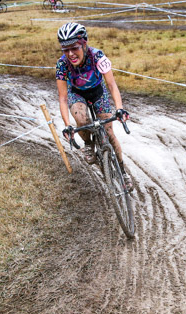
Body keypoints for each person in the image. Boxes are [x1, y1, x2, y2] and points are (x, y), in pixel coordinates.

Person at [55, 22, 133, 191]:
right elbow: (62, 98)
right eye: (65, 49)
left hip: (98, 91)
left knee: (109, 132)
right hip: (77, 93)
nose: (70, 54)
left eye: (74, 48)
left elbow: (112, 85)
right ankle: (88, 144)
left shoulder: (97, 56)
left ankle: (122, 171)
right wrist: (68, 125)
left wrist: (119, 108)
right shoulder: (62, 65)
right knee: (81, 119)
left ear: (84, 44)